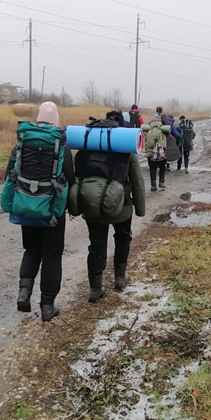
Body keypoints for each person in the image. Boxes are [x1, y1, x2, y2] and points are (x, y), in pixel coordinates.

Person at [71, 112, 147, 300]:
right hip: (122, 206)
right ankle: (120, 278)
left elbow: (77, 173)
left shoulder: (87, 144)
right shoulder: (124, 145)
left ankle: (95, 288)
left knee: (96, 245)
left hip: (91, 204)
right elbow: (137, 181)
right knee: (122, 238)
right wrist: (140, 209)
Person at [15, 101, 75, 322]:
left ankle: (24, 292)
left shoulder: (22, 143)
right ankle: (47, 306)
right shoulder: (62, 146)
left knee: (31, 249)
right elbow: (70, 179)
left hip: (25, 205)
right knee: (51, 255)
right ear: (56, 120)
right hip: (52, 210)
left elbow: (10, 174)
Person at [143, 115, 169, 192]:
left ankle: (153, 185)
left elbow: (148, 143)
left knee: (152, 169)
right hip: (161, 153)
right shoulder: (163, 129)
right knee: (162, 167)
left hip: (151, 154)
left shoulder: (149, 129)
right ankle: (161, 182)